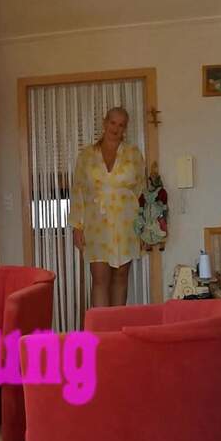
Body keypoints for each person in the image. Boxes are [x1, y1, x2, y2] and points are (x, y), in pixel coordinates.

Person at [68, 107, 146, 307]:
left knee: (121, 277)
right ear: (105, 123)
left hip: (125, 222)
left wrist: (143, 225)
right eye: (113, 122)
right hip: (96, 223)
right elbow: (78, 191)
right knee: (100, 278)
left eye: (121, 125)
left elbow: (141, 189)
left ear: (125, 128)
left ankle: (117, 325)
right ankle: (101, 326)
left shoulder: (133, 154)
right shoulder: (86, 155)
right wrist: (77, 226)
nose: (116, 128)